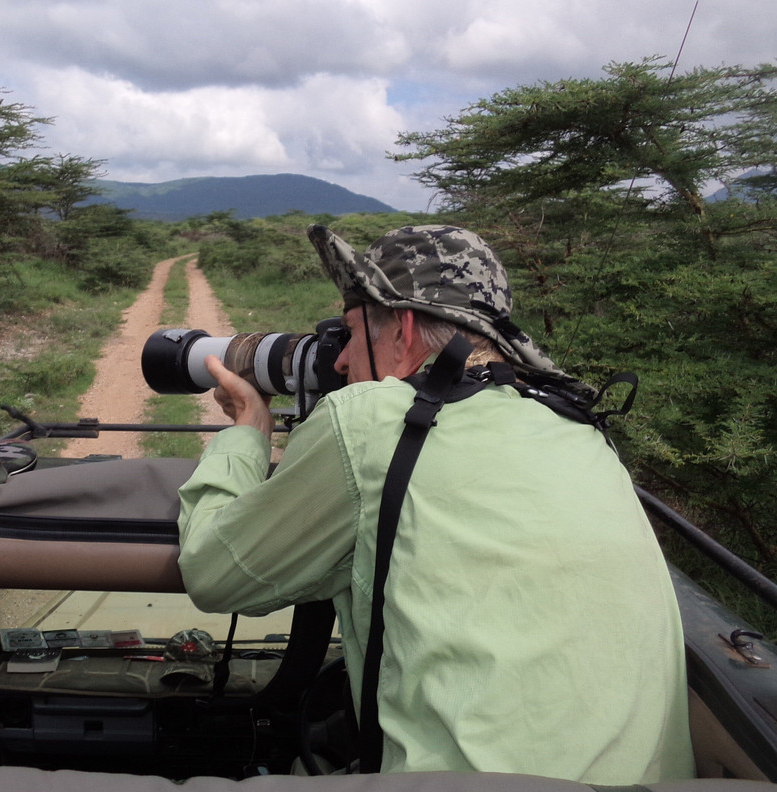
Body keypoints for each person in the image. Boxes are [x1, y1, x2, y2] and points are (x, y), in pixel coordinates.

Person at [176, 224, 695, 783]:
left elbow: (214, 574)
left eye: (350, 335)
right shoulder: (578, 427)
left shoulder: (373, 420)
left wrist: (248, 429)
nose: (343, 363)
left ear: (401, 329)